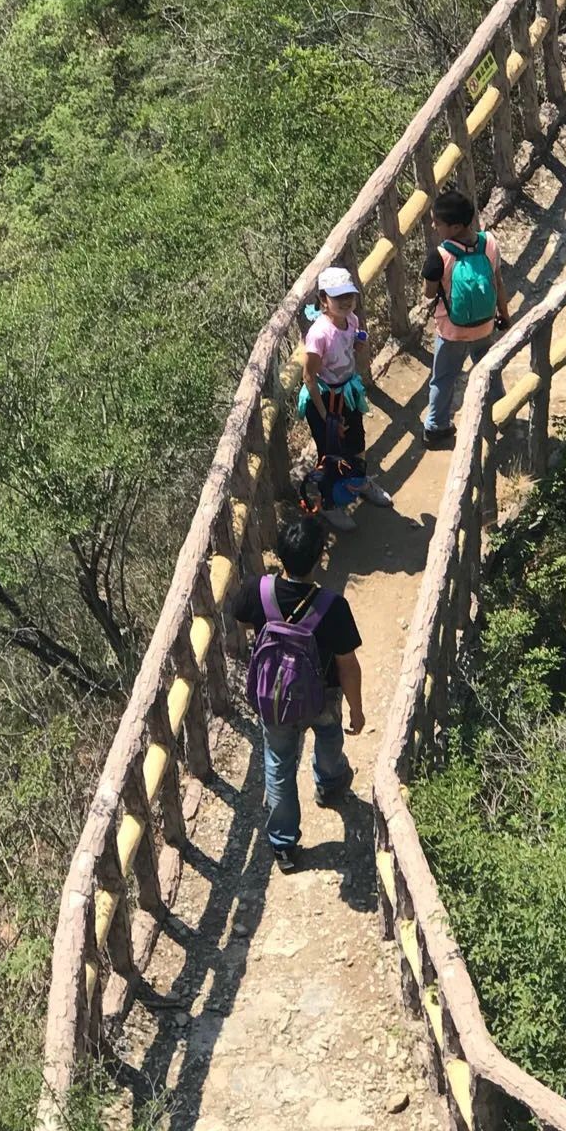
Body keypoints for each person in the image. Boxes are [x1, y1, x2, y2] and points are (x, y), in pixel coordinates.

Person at [232, 517, 365, 874]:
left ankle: (284, 845)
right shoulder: (332, 607)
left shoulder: (257, 592)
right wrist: (357, 709)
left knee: (278, 766)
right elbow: (348, 665)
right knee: (329, 737)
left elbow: (241, 619)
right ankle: (329, 783)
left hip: (274, 698)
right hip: (321, 697)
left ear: (281, 555)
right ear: (319, 557)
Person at [298, 265, 392, 532]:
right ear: (323, 300)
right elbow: (309, 376)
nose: (345, 301)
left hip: (346, 390)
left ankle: (359, 480)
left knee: (357, 439)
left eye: (348, 295)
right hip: (325, 397)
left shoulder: (351, 320)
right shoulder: (318, 334)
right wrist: (325, 414)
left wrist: (357, 344)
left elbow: (348, 345)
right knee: (330, 451)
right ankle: (329, 504)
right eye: (337, 297)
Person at [421, 189, 511, 449]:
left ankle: (436, 428)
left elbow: (429, 294)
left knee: (443, 378)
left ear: (455, 226)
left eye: (437, 222)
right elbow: (498, 283)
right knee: (490, 370)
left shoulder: (440, 257)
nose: (433, 226)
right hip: (484, 326)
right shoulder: (489, 243)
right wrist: (504, 317)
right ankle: (499, 412)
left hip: (452, 331)